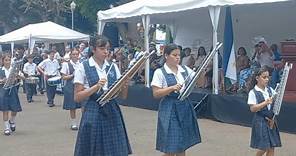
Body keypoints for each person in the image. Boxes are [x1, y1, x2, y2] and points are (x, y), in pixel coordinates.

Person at [73, 35, 132, 156]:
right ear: (93, 49)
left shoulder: (112, 66)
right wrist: (95, 87)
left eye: (108, 48)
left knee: (115, 150)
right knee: (93, 150)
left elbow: (122, 96)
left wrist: (125, 85)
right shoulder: (83, 67)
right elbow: (77, 97)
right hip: (93, 110)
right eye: (102, 48)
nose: (106, 52)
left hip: (112, 110)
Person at [151, 43, 201, 156]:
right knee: (170, 147)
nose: (178, 57)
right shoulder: (160, 72)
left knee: (182, 144)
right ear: (166, 56)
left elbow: (200, 83)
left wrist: (200, 72)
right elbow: (156, 93)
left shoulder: (185, 70)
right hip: (169, 108)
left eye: (179, 55)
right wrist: (171, 88)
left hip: (184, 106)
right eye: (174, 55)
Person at [247, 66, 281, 156]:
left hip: (271, 121)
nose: (267, 79)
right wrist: (265, 103)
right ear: (257, 78)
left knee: (272, 146)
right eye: (264, 77)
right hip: (260, 121)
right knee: (264, 147)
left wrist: (273, 118)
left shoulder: (270, 90)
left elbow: (275, 102)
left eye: (268, 77)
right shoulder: (253, 92)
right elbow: (252, 109)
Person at [0, 53, 23, 136]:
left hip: (13, 90)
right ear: (3, 61)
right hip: (3, 91)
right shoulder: (0, 70)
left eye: (9, 60)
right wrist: (2, 81)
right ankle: (6, 128)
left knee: (15, 109)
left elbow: (23, 77)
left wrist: (18, 76)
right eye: (6, 60)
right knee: (5, 110)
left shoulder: (14, 69)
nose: (7, 62)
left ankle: (12, 120)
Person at [60, 48, 81, 130]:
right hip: (70, 86)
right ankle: (74, 123)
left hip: (80, 86)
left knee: (84, 104)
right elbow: (63, 77)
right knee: (72, 106)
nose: (75, 56)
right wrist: (72, 75)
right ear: (70, 55)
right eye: (73, 54)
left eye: (76, 54)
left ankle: (84, 122)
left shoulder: (81, 64)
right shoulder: (66, 64)